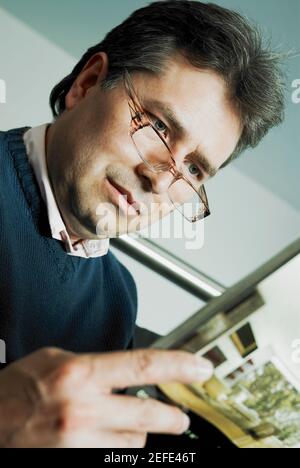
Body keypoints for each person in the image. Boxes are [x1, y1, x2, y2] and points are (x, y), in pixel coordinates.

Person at [0, 0, 285, 448]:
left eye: (194, 170)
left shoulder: (118, 297)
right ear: (88, 83)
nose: (159, 177)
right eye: (156, 125)